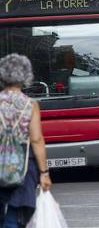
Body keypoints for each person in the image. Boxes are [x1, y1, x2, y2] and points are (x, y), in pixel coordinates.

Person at [0, 54, 52, 228]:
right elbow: (36, 139)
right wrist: (44, 173)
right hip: (23, 165)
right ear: (26, 75)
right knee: (16, 211)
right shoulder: (30, 104)